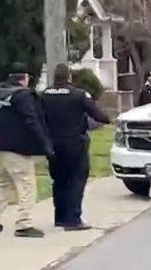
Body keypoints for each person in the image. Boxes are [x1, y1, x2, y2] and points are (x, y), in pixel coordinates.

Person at [0, 62, 53, 238]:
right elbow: (31, 120)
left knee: (4, 183)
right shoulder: (23, 96)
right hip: (18, 148)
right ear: (25, 78)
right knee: (26, 184)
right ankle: (24, 223)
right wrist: (44, 144)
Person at [41, 64, 111, 231]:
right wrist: (107, 119)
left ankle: (60, 217)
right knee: (76, 180)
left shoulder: (43, 95)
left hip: (52, 144)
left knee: (59, 181)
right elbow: (98, 115)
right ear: (69, 78)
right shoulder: (78, 95)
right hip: (75, 144)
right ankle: (73, 219)